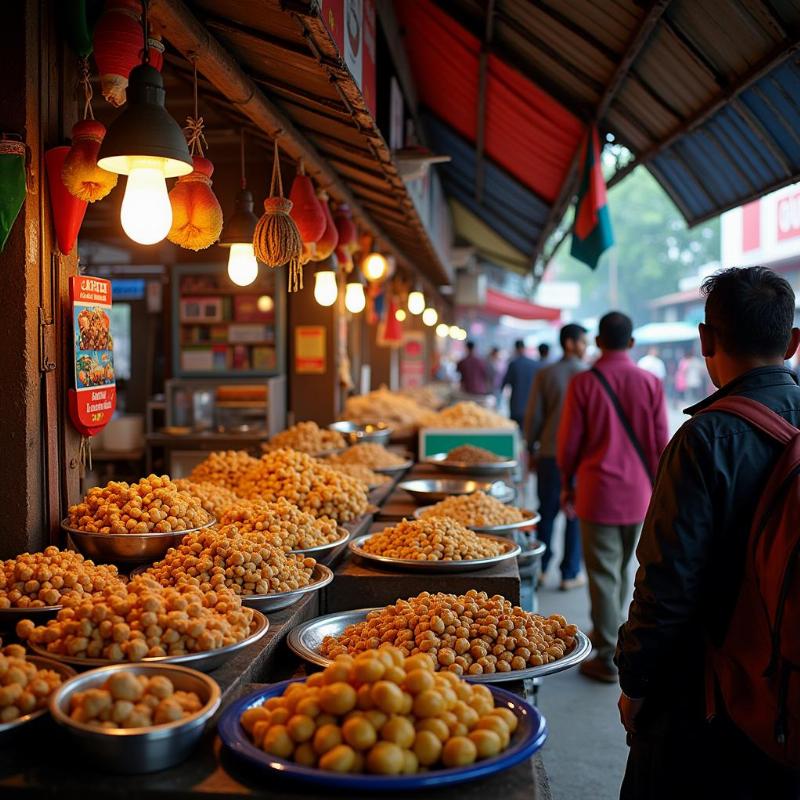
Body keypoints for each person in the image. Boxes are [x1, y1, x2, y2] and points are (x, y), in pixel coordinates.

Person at [616, 267, 800, 799]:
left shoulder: (706, 439)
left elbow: (665, 589)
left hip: (707, 705)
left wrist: (636, 684)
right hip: (791, 692)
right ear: (791, 343)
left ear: (705, 339)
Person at [557, 311, 668, 683]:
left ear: (599, 342)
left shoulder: (583, 383)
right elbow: (659, 445)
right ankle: (612, 632)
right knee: (621, 568)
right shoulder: (650, 382)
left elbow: (569, 445)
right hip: (638, 494)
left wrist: (565, 482)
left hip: (597, 492)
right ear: (631, 343)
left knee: (604, 573)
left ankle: (607, 656)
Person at [525, 324, 588, 590]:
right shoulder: (589, 376)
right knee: (575, 514)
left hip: (550, 454)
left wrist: (531, 449)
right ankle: (569, 573)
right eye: (584, 342)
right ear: (571, 343)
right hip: (582, 458)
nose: (586, 347)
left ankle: (541, 569)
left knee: (547, 512)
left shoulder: (545, 374)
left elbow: (534, 417)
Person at [501, 340, 538, 429]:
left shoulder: (513, 364)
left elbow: (506, 382)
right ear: (524, 348)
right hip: (531, 404)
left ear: (516, 349)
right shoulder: (534, 364)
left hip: (516, 404)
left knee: (517, 430)